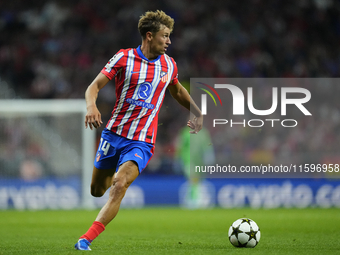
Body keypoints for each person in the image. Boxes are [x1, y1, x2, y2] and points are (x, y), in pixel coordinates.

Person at [74, 10, 203, 251]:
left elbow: (176, 90)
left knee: (120, 184)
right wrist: (91, 106)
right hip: (113, 135)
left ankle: (86, 239)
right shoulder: (124, 58)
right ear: (149, 35)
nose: (169, 41)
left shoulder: (169, 65)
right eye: (165, 36)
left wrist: (197, 110)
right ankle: (101, 191)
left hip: (142, 141)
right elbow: (94, 86)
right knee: (96, 190)